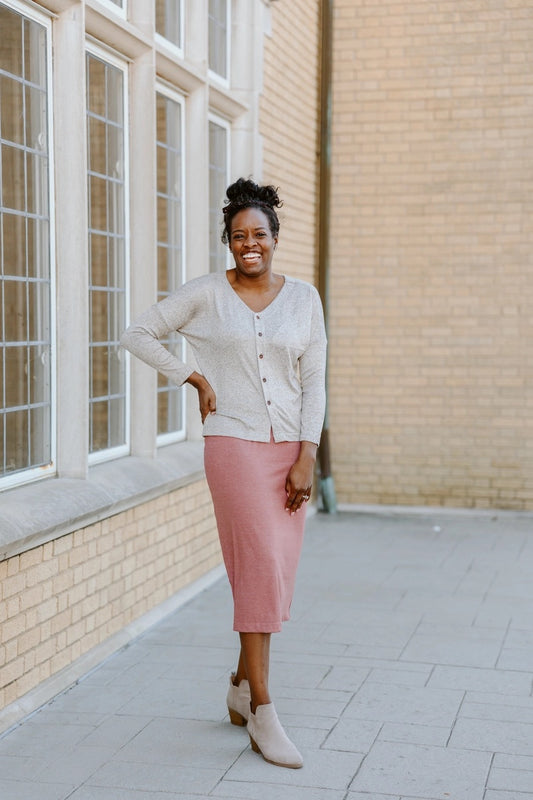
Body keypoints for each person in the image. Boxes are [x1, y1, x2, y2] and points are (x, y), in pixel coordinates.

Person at [120, 178, 327, 769]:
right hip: (232, 445)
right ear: (228, 243)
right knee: (258, 566)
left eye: (259, 234)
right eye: (239, 237)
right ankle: (263, 709)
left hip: (289, 450)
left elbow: (314, 381)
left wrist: (307, 453)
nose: (249, 245)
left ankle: (239, 684)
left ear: (276, 237)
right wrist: (194, 377)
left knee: (276, 573)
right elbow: (136, 332)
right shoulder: (207, 294)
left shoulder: (305, 299)